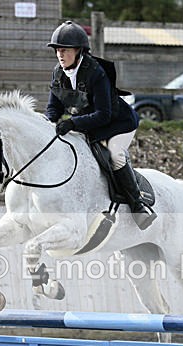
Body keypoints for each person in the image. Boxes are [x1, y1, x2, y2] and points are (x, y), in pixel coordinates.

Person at [44, 20, 156, 230]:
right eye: (58, 50)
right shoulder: (58, 72)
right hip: (89, 124)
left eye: (65, 50)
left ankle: (137, 205)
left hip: (118, 124)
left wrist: (73, 123)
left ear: (79, 51)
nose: (60, 54)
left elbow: (104, 115)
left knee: (114, 154)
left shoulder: (96, 72)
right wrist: (49, 122)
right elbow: (53, 107)